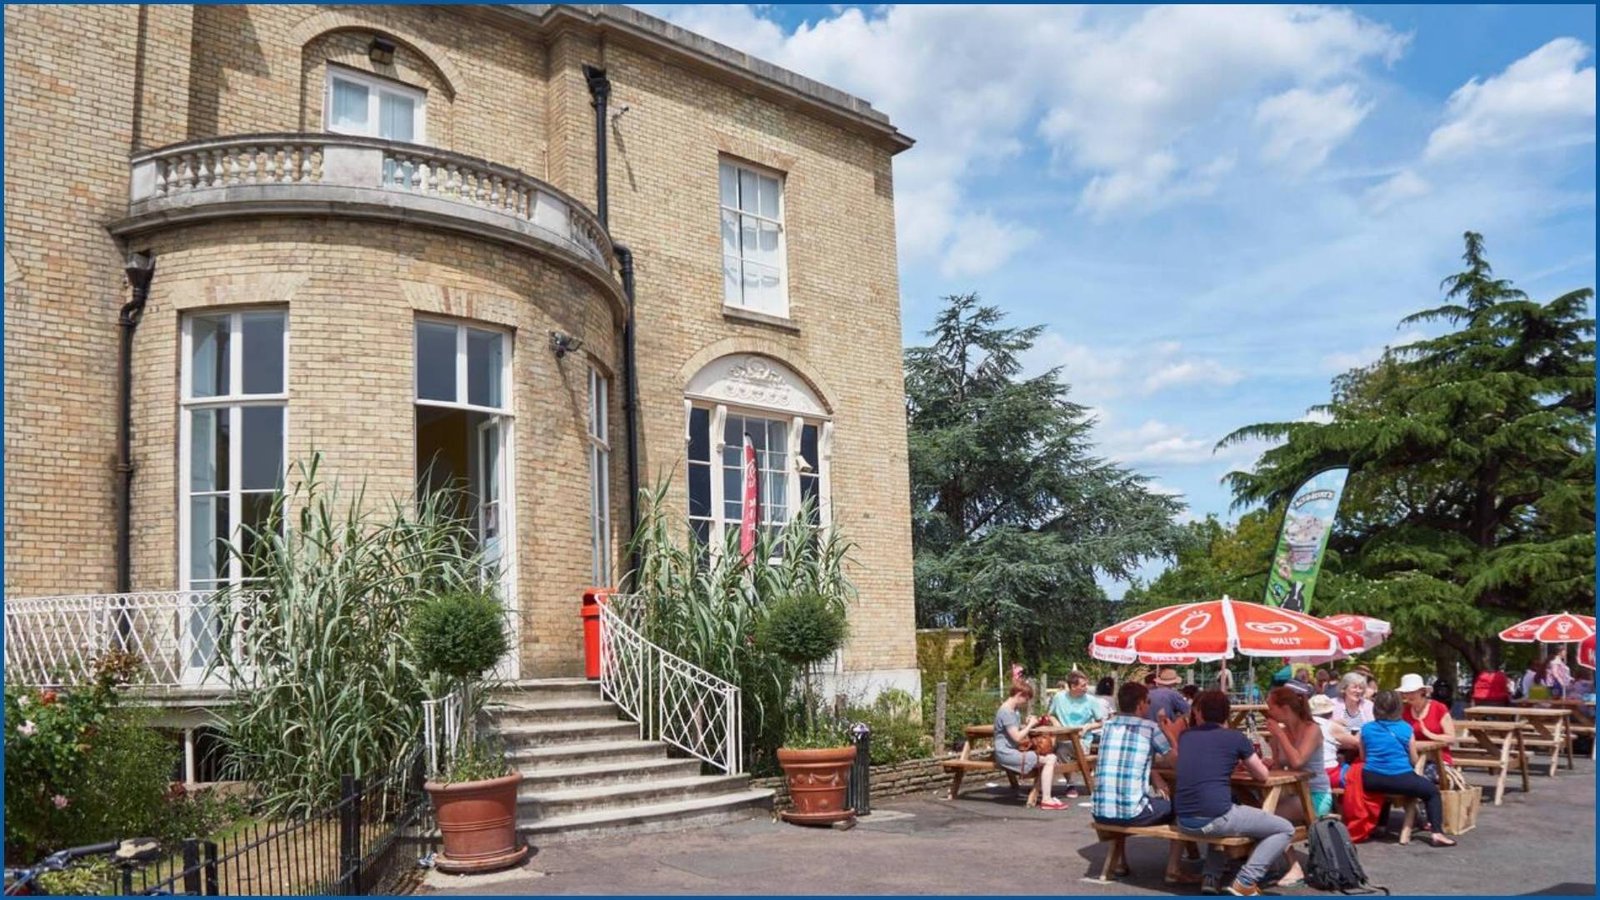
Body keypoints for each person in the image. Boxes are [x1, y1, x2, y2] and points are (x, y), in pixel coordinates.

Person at [1175, 691, 1297, 896]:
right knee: (1284, 828)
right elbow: (1262, 775)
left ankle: (1210, 876)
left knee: (1224, 806)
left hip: (1184, 819)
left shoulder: (1186, 736)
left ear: (1199, 712)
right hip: (1216, 818)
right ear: (1227, 714)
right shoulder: (1235, 738)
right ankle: (1246, 880)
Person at [1359, 690, 1457, 847]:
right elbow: (1414, 759)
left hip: (1371, 778)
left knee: (1384, 791)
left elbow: (1363, 757)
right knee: (1431, 792)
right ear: (1398, 708)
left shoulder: (1366, 728)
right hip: (1400, 777)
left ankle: (1381, 825)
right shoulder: (1405, 728)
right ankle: (1437, 833)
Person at [1093, 682, 1185, 830]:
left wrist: (1154, 774)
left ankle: (1118, 852)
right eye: (1148, 702)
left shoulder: (1108, 726)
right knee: (1178, 805)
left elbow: (1128, 760)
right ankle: (1177, 854)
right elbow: (1178, 764)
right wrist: (1168, 732)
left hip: (1100, 811)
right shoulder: (1150, 728)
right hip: (1133, 814)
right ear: (1140, 704)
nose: (1149, 706)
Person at [1264, 687, 1334, 819]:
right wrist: (1269, 763)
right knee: (1255, 807)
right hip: (1291, 792)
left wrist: (1279, 734)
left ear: (1285, 709)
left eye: (1271, 708)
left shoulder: (1312, 729)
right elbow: (1277, 767)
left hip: (1314, 793)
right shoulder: (1280, 733)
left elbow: (1297, 762)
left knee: (1267, 816)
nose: (1268, 713)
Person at [994, 683, 1064, 809]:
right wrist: (1030, 725)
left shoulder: (1013, 710)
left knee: (1050, 758)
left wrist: (1026, 723)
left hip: (1011, 751)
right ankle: (1046, 799)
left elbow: (1014, 730)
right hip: (1006, 753)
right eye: (1026, 699)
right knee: (1050, 759)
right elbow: (1017, 737)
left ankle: (1046, 797)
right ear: (1020, 695)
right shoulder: (1006, 712)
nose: (1026, 703)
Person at [1048, 672, 1105, 798]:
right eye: (1083, 685)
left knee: (1060, 749)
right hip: (1063, 738)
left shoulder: (1091, 700)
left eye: (1086, 685)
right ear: (1073, 687)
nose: (1086, 688)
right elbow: (1050, 714)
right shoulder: (1059, 697)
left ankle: (1064, 781)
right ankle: (1069, 783)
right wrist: (1056, 724)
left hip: (1083, 739)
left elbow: (1101, 722)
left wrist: (1088, 726)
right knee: (1058, 748)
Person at [1398, 673, 1456, 772]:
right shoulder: (1403, 711)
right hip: (1411, 759)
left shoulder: (1439, 708)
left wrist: (1430, 734)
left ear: (1422, 691)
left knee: (1424, 778)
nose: (1409, 695)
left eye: (1412, 691)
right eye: (1406, 692)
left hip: (1438, 760)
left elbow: (1451, 739)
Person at [1309, 693, 1355, 787]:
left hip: (1306, 774)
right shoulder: (1332, 726)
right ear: (1330, 713)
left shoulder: (1304, 725)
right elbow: (1355, 743)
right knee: (1356, 771)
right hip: (1328, 773)